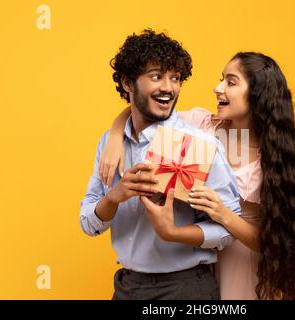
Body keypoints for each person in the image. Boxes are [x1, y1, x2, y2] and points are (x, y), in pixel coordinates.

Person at [100, 52, 295, 299]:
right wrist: (114, 138)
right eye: (221, 79)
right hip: (195, 264)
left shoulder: (273, 159)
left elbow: (277, 242)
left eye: (230, 82)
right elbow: (144, 107)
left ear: (258, 94)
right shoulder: (200, 125)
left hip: (241, 267)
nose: (217, 88)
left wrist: (223, 215)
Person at [79, 29, 242, 300]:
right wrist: (114, 198)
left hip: (187, 288)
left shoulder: (197, 144)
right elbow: (88, 223)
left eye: (175, 78)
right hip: (127, 287)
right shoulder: (110, 143)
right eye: (156, 76)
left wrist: (174, 232)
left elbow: (228, 229)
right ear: (128, 83)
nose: (168, 87)